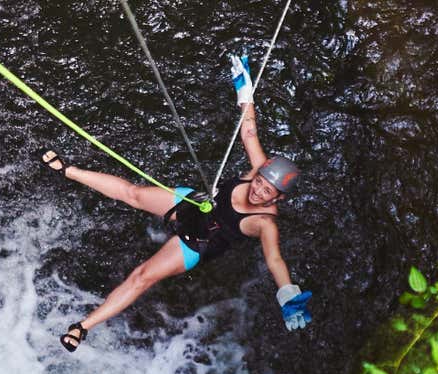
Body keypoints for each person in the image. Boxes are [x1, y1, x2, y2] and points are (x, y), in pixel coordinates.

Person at [43, 55, 313, 352]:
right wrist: (244, 92)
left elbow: (274, 259)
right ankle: (67, 170)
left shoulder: (265, 223)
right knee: (133, 194)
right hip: (192, 203)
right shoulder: (259, 169)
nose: (259, 190)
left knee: (142, 277)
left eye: (268, 191)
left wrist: (287, 293)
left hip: (197, 241)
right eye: (260, 181)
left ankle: (82, 327)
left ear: (279, 199)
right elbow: (248, 132)